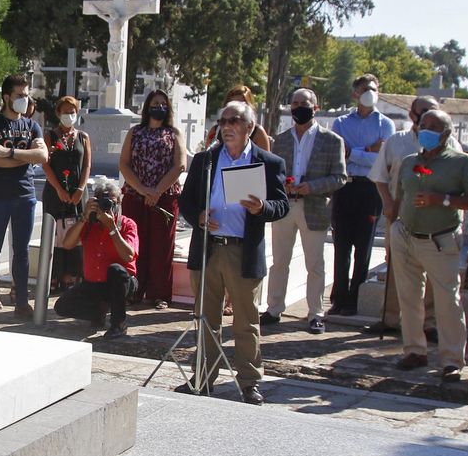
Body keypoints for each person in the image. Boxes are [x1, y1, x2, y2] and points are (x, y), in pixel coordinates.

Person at [177, 100, 289, 404]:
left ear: (249, 126)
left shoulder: (269, 163)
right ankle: (203, 377)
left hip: (243, 251)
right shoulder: (206, 160)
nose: (227, 126)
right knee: (206, 318)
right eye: (223, 120)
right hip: (209, 249)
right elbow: (186, 202)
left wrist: (262, 207)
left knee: (246, 321)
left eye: (234, 120)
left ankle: (249, 382)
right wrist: (198, 216)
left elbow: (282, 205)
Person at [388, 109, 468, 380]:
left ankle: (452, 359)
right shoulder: (408, 162)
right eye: (422, 124)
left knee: (446, 301)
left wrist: (442, 199)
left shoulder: (462, 162)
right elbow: (399, 197)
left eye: (433, 126)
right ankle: (414, 350)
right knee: (408, 297)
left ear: (445, 133)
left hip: (440, 239)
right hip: (406, 234)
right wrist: (393, 226)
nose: (425, 130)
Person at [261, 88, 345, 333]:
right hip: (285, 206)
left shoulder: (332, 141)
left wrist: (314, 187)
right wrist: (281, 186)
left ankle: (315, 313)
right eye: (294, 103)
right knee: (279, 262)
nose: (299, 107)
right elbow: (273, 173)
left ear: (315, 107)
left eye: (304, 103)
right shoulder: (282, 139)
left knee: (315, 264)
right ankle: (274, 308)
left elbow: (340, 177)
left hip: (314, 206)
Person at [368, 94, 440, 334]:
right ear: (412, 115)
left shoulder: (448, 144)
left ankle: (428, 323)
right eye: (424, 111)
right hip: (399, 214)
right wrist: (387, 203)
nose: (429, 116)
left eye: (434, 111)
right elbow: (380, 176)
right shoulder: (396, 142)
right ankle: (389, 318)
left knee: (430, 270)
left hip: (432, 217)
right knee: (394, 267)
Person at [0, 75, 47, 318]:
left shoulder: (32, 125)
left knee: (22, 250)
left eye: (26, 95)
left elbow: (42, 156)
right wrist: (23, 158)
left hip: (25, 195)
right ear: (6, 97)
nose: (24, 100)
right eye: (19, 95)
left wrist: (10, 152)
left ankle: (21, 303)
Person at [329, 74, 395, 316]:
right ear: (355, 93)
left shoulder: (385, 124)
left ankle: (356, 298)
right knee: (341, 244)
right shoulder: (341, 123)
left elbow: (381, 159)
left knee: (363, 245)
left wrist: (354, 152)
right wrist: (366, 150)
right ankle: (339, 298)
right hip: (345, 186)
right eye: (365, 88)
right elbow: (339, 153)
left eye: (374, 88)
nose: (370, 92)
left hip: (370, 189)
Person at [119, 88, 185, 308]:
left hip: (164, 198)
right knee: (136, 244)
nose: (159, 108)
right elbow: (124, 164)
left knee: (161, 247)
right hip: (135, 195)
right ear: (147, 107)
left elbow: (180, 165)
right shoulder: (135, 132)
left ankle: (160, 294)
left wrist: (157, 190)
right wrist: (142, 189)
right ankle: (134, 290)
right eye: (155, 103)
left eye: (163, 104)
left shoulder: (174, 133)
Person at [53, 178, 139, 338]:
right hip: (94, 283)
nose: (108, 207)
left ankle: (118, 324)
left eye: (112, 203)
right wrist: (84, 217)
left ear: (119, 203)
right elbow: (67, 244)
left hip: (122, 283)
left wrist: (112, 228)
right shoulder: (88, 223)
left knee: (116, 270)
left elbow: (128, 256)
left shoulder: (127, 224)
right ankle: (97, 313)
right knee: (62, 307)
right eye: (103, 203)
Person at [40, 96, 91, 290]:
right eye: (65, 112)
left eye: (72, 112)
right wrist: (59, 189)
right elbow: (46, 165)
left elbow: (86, 165)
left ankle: (70, 274)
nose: (69, 115)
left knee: (74, 231)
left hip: (77, 194)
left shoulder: (83, 137)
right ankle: (54, 276)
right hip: (55, 193)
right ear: (58, 113)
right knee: (55, 234)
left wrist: (80, 189)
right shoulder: (50, 136)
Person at [203, 84, 273, 151]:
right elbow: (207, 157)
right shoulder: (216, 130)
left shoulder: (258, 132)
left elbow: (266, 160)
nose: (236, 107)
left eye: (241, 104)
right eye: (232, 103)